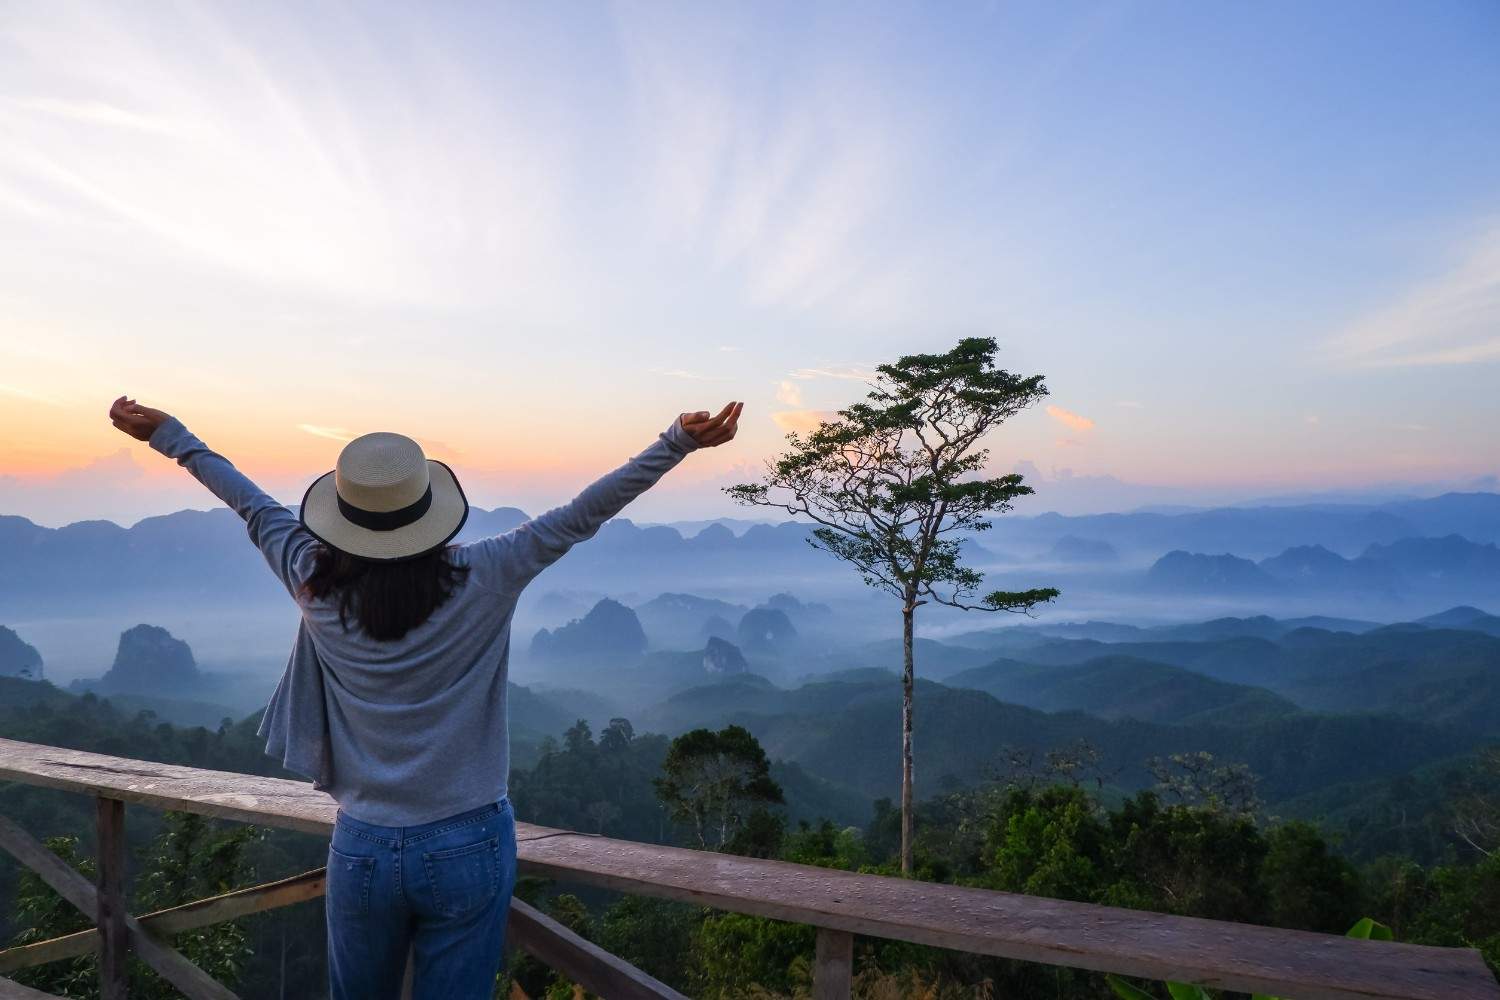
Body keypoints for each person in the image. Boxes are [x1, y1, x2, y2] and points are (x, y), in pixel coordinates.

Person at [107, 395, 743, 1000]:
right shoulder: (489, 572)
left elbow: (248, 502)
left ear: (343, 514)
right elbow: (582, 515)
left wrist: (169, 435)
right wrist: (676, 443)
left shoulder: (308, 576)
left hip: (362, 847)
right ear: (428, 511)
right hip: (468, 840)